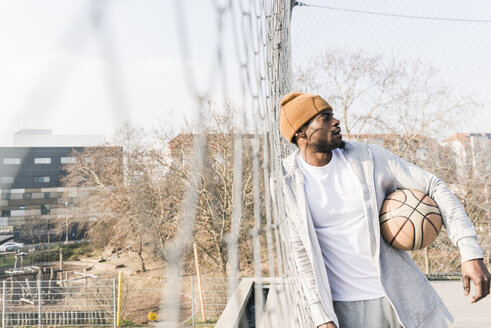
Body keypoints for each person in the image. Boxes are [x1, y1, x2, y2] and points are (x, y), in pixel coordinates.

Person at [278, 92, 490, 328]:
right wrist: (321, 317)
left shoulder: (368, 158)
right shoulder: (286, 182)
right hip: (343, 308)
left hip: (400, 299)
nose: (336, 121)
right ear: (301, 132)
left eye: (333, 115)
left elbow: (433, 185)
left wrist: (470, 251)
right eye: (325, 118)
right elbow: (301, 255)